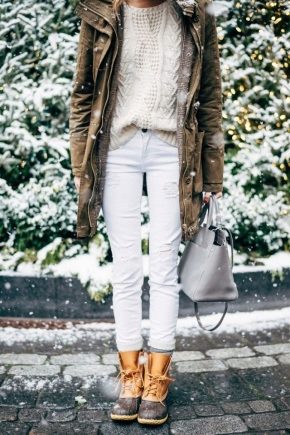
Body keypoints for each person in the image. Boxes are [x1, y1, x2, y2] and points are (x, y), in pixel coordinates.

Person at [69, 0, 224, 426]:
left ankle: (156, 380)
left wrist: (212, 175)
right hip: (116, 149)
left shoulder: (195, 13)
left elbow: (210, 97)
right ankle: (130, 377)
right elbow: (83, 93)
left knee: (163, 266)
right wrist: (81, 162)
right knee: (125, 268)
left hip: (172, 150)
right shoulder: (100, 12)